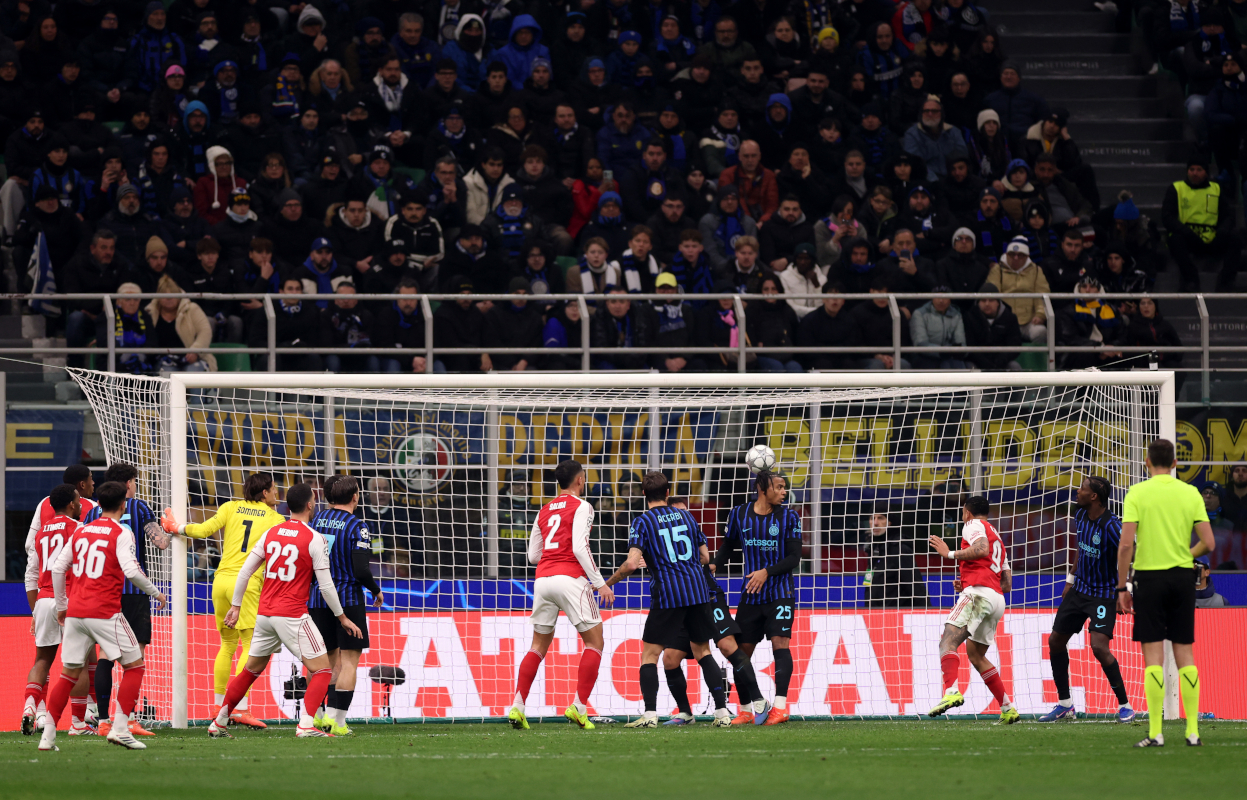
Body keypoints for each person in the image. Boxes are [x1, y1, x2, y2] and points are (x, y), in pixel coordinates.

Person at [205, 482, 363, 740]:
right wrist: (342, 617)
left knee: (249, 670)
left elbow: (245, 571)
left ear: (287, 506)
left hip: (265, 615)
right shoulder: (314, 538)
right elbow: (325, 585)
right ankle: (306, 725)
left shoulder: (271, 533)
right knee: (323, 670)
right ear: (311, 505)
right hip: (292, 615)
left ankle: (219, 722)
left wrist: (236, 605)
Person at [601, 471, 750, 728]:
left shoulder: (643, 521)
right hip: (697, 592)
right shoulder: (687, 516)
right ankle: (722, 712)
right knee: (703, 651)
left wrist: (607, 583)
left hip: (668, 594)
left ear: (644, 494)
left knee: (650, 654)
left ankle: (649, 714)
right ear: (668, 494)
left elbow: (630, 564)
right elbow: (705, 557)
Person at [40, 480, 167, 752]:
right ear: (123, 504)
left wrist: (63, 605)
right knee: (135, 666)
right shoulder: (121, 532)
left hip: (75, 612)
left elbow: (58, 568)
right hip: (105, 611)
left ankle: (48, 736)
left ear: (98, 504)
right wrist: (157, 593)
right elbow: (131, 572)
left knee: (68, 674)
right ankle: (120, 728)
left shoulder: (81, 530)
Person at [161, 472, 286, 731]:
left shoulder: (230, 507)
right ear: (264, 493)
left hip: (220, 582)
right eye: (274, 489)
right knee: (251, 647)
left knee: (227, 645)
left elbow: (204, 530)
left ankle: (220, 707)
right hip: (248, 584)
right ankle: (238, 709)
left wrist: (177, 528)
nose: (277, 493)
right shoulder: (276, 519)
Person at [1117, 439, 1216, 747]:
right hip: (1182, 578)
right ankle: (1192, 730)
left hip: (1149, 578)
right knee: (1185, 653)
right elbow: (1209, 543)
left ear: (1147, 462)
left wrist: (1123, 586)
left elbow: (1125, 545)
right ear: (1175, 463)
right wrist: (1187, 555)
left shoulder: (1137, 493)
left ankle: (1157, 732)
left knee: (1153, 657)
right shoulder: (1190, 493)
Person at [508, 459, 614, 731]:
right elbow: (580, 548)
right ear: (580, 480)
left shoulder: (543, 510)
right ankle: (579, 708)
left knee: (537, 647)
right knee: (594, 643)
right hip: (571, 579)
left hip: (542, 580)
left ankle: (518, 707)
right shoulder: (583, 506)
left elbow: (532, 556)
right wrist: (600, 583)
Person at [79, 463, 169, 738]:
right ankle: (127, 719)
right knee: (136, 658)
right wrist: (172, 527)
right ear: (128, 484)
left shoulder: (92, 513)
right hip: (134, 592)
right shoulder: (139, 508)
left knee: (105, 654)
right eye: (135, 481)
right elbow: (161, 542)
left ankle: (103, 720)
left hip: (102, 594)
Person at [1039, 476, 1134, 723]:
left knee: (1099, 648)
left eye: (1082, 489)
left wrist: (1126, 589)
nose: (1077, 491)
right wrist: (1070, 580)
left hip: (1103, 595)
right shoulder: (1080, 515)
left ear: (1094, 497)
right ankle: (1064, 704)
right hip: (1079, 590)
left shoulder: (1113, 526)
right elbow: (1081, 549)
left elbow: (1131, 554)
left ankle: (1125, 706)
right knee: (1055, 642)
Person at [711, 470, 803, 724]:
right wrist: (714, 565)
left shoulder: (790, 517)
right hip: (750, 596)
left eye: (785, 487)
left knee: (780, 645)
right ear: (763, 488)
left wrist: (766, 572)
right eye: (780, 487)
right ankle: (745, 710)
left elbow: (794, 558)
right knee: (741, 653)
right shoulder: (739, 513)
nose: (785, 492)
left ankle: (781, 707)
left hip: (780, 594)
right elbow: (728, 547)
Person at [927, 495, 1018, 724]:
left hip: (979, 595)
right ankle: (1008, 708)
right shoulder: (995, 534)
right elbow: (1006, 583)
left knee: (947, 642)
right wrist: (968, 580)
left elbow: (980, 548)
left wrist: (948, 554)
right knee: (977, 656)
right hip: (996, 599)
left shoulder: (972, 525)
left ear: (967, 512)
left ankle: (951, 692)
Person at [307, 476, 383, 736]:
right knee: (349, 661)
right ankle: (337, 722)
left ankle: (316, 717)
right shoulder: (357, 526)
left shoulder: (315, 520)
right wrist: (375, 589)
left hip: (317, 598)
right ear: (354, 497)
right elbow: (361, 570)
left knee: (321, 662)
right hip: (347, 599)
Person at [22, 484, 96, 737]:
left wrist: (34, 612)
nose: (79, 504)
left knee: (42, 659)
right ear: (71, 504)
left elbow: (31, 571)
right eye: (77, 501)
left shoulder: (41, 533)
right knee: (81, 663)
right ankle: (77, 723)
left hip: (43, 600)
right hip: (69, 600)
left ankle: (30, 706)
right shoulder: (78, 529)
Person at [1161, 157, 1241, 292]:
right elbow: (1167, 217)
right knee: (1174, 239)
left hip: (1212, 238)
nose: (1195, 173)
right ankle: (1191, 279)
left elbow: (1228, 216)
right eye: (1191, 169)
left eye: (1199, 170)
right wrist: (1187, 232)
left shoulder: (1216, 189)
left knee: (1235, 239)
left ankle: (1226, 282)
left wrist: (1221, 232)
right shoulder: (1176, 188)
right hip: (1188, 238)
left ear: (1206, 172)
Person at [862, 502, 928, 608]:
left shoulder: (900, 549)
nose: (875, 523)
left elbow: (916, 587)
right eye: (872, 518)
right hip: (874, 615)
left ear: (889, 522)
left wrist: (925, 614)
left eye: (880, 518)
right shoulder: (873, 548)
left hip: (896, 616)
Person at [987, 237, 1049, 343]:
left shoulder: (1036, 271)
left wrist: (1040, 315)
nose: (1015, 258)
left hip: (1029, 321)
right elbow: (992, 294)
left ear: (1027, 256)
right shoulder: (997, 270)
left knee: (1041, 332)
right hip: (1003, 320)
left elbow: (1042, 294)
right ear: (1006, 254)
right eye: (1012, 254)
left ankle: (1035, 360)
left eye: (1020, 255)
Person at [964, 286, 1022, 371]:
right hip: (977, 362)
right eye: (983, 300)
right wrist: (985, 363)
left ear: (998, 302)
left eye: (991, 300)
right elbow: (969, 346)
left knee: (1015, 367)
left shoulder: (1010, 318)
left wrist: (1000, 361)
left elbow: (1015, 344)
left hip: (1002, 362)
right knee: (969, 369)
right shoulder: (969, 318)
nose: (987, 304)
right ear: (978, 303)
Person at [910, 289, 969, 369]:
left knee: (958, 365)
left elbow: (961, 343)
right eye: (938, 297)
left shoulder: (956, 315)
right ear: (932, 298)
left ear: (950, 299)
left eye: (944, 297)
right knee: (944, 366)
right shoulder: (919, 314)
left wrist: (958, 351)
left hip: (949, 356)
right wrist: (941, 351)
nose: (941, 301)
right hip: (925, 357)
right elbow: (920, 343)